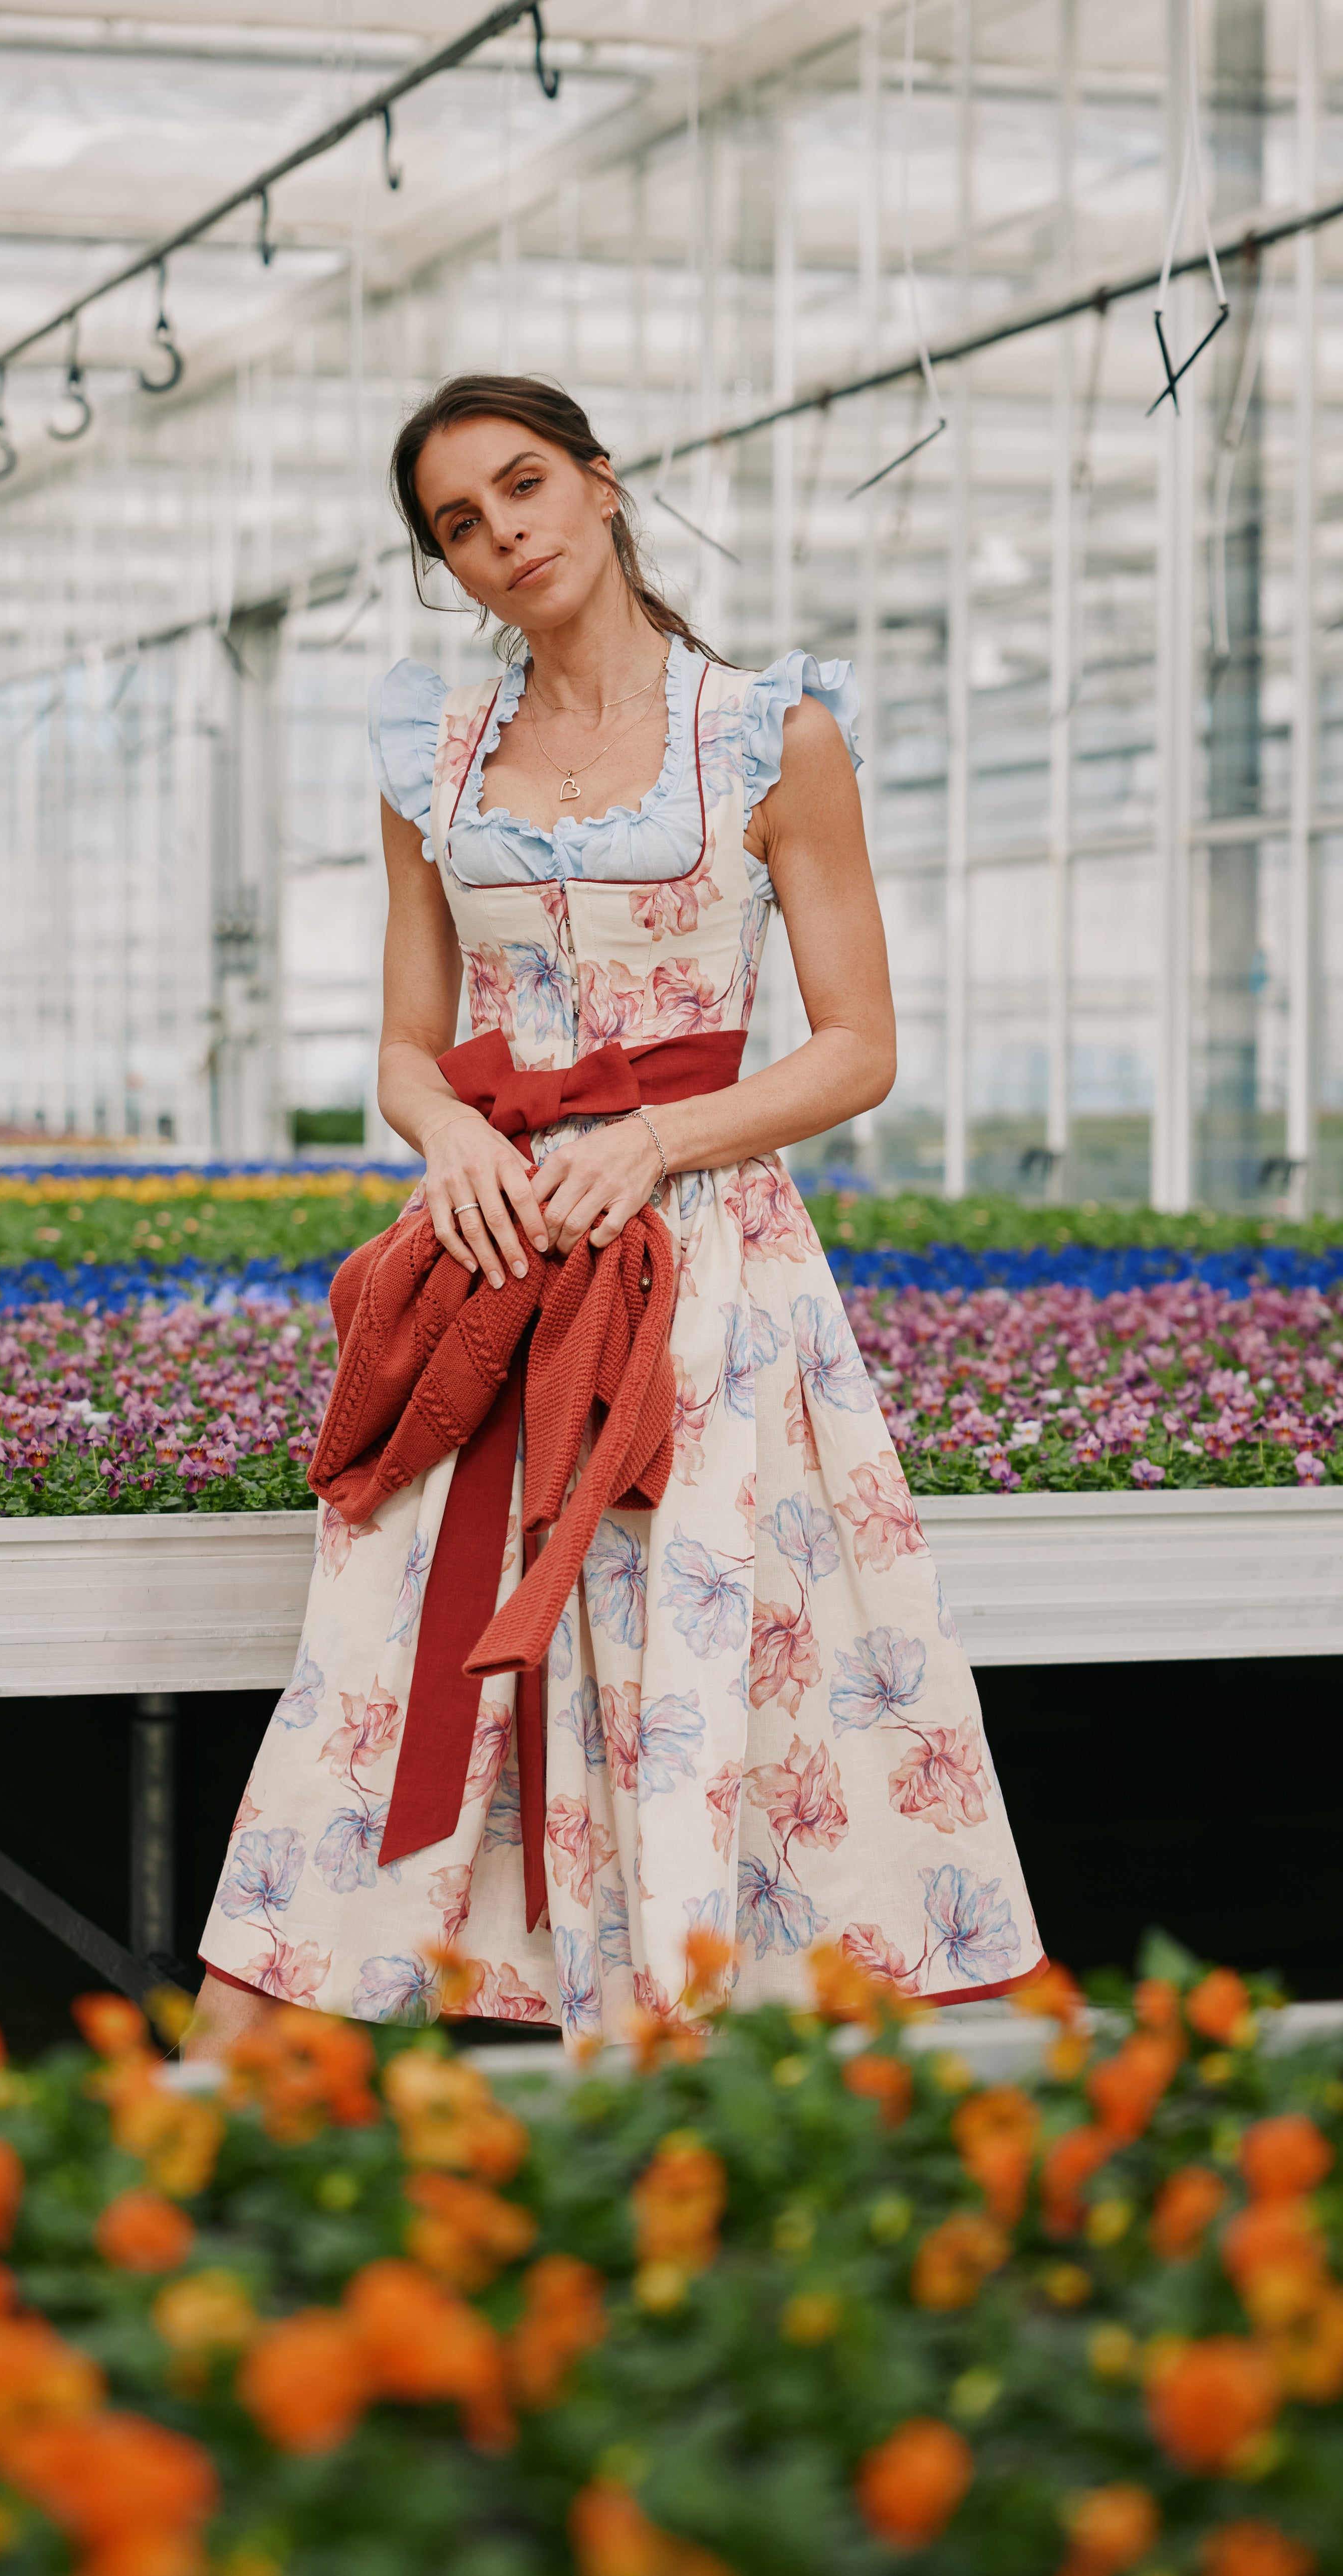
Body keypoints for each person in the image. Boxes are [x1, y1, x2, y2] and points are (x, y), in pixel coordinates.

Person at [190, 371, 1043, 2053]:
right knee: (382, 1648)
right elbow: (406, 1049)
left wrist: (656, 1146)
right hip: (497, 1254)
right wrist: (447, 1137)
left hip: (708, 1267)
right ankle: (243, 2062)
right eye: (458, 522)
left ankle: (689, 2047)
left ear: (601, 483)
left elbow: (860, 1048)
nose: (502, 532)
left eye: (522, 487)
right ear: (444, 562)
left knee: (703, 1626)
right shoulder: (430, 756)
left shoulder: (769, 733)